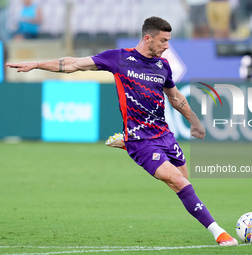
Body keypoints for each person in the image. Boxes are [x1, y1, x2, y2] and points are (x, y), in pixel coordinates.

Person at [6, 16, 238, 246]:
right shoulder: (119, 58)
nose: (167, 46)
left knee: (184, 183)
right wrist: (36, 64)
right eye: (163, 41)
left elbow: (175, 97)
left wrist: (194, 121)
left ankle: (125, 141)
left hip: (165, 135)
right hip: (141, 140)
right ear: (148, 38)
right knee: (178, 181)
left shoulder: (163, 66)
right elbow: (72, 64)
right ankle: (220, 234)